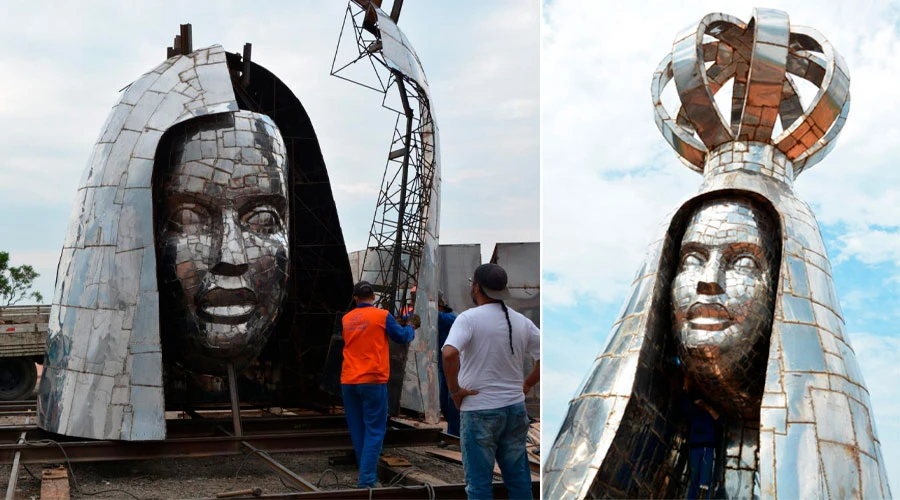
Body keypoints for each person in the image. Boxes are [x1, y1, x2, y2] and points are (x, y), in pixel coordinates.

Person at [442, 263, 540, 500]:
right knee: (519, 483)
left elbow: (449, 353)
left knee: (479, 486)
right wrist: (527, 384)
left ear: (476, 287)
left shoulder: (468, 318)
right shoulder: (521, 321)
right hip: (515, 410)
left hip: (479, 412)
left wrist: (455, 391)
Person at [341, 280, 418, 488]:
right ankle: (367, 480)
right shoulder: (382, 315)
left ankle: (365, 472)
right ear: (373, 297)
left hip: (348, 381)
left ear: (355, 298)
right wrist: (410, 326)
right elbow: (401, 337)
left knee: (358, 430)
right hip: (372, 380)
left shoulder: (346, 319)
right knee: (374, 430)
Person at [435, 291, 460, 438]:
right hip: (442, 364)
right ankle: (453, 433)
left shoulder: (449, 318)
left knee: (452, 400)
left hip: (455, 364)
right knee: (444, 401)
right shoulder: (439, 318)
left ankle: (455, 434)